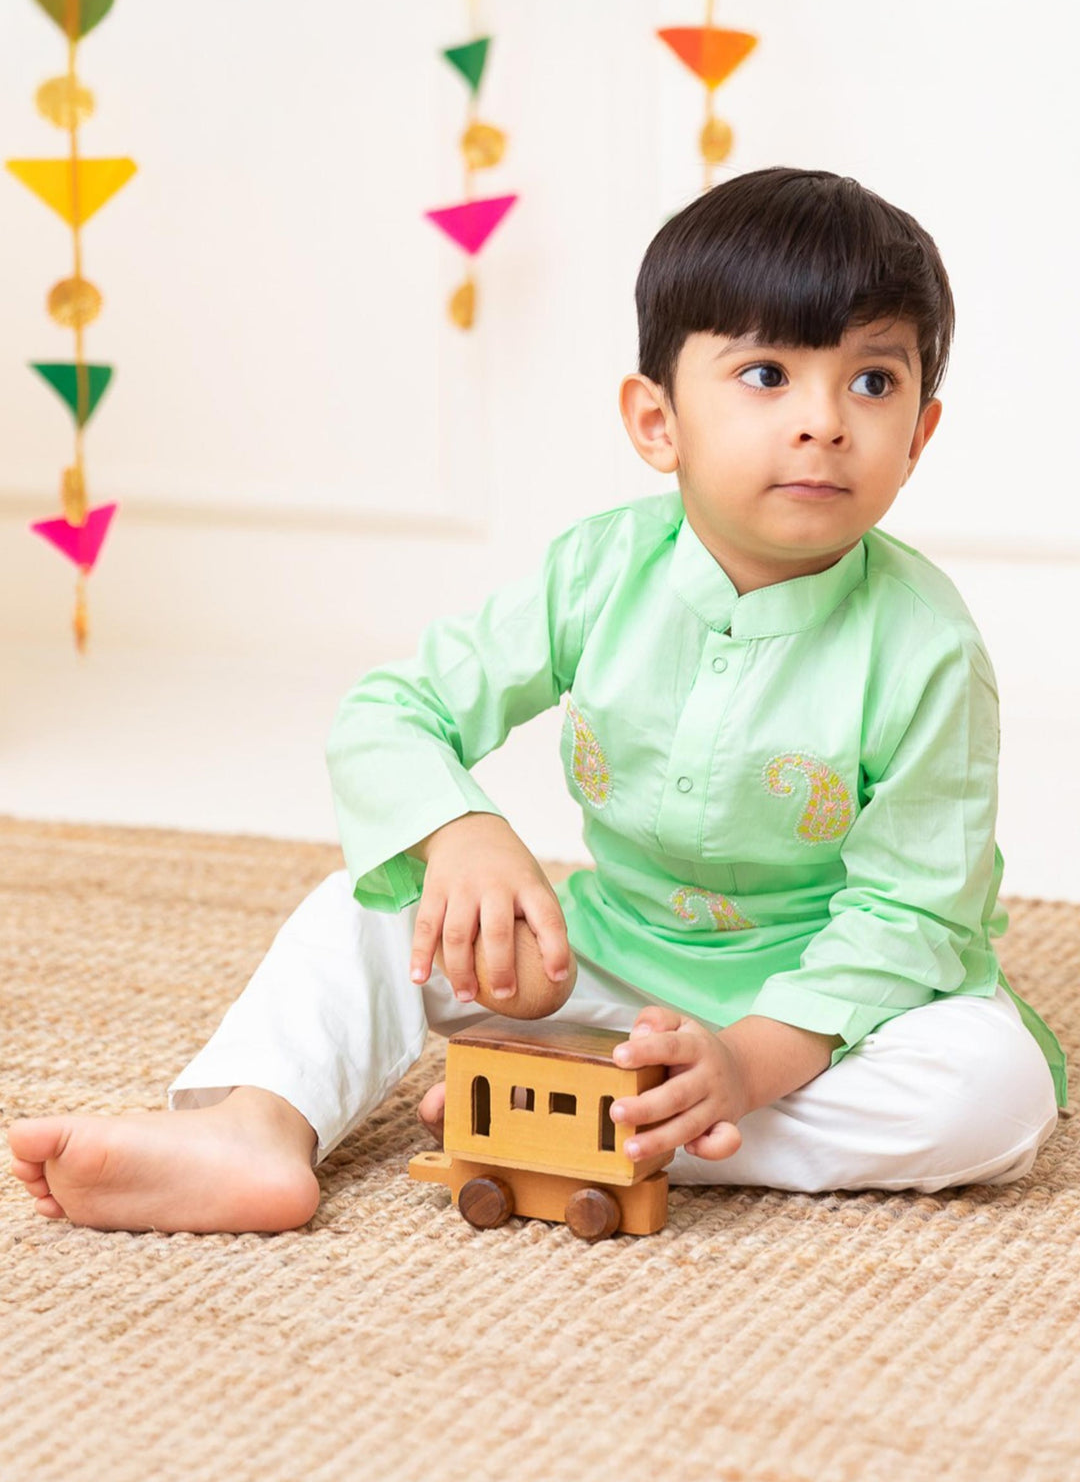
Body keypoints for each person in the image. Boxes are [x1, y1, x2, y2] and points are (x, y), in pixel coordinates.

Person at [8, 166, 1066, 1234]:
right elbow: (394, 709)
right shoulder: (601, 570)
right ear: (658, 423)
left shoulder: (928, 646)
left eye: (873, 384)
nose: (824, 423)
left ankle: (576, 1123)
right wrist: (462, 832)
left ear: (921, 435)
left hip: (832, 1014)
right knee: (368, 910)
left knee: (996, 1093)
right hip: (616, 957)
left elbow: (909, 918)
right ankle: (257, 1126)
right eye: (765, 375)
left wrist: (745, 1065)